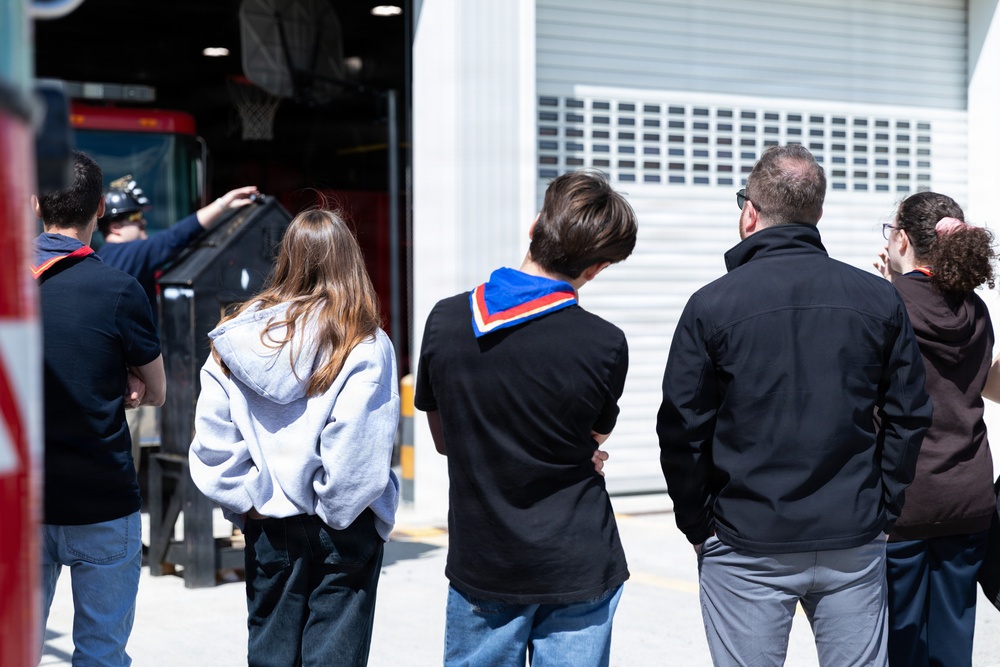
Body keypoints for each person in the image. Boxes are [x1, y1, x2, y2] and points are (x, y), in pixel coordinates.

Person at [657, 144, 933, 666]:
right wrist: (885, 508)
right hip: (851, 534)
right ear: (818, 213)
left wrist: (699, 526)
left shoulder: (712, 305)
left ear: (750, 213)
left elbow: (682, 429)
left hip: (748, 539)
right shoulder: (878, 298)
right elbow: (910, 414)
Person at [414, 169, 638, 666]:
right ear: (597, 268)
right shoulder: (605, 343)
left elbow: (446, 439)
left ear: (535, 226)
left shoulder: (446, 320)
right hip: (580, 560)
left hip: (486, 559)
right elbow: (593, 436)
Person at [187, 209, 399, 667]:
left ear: (287, 258)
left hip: (269, 521)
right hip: (343, 525)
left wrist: (250, 501)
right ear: (350, 261)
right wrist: (335, 511)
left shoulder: (238, 337)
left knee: (270, 655)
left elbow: (213, 438)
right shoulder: (363, 341)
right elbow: (358, 448)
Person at [33, 150, 166, 665]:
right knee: (101, 655)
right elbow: (156, 391)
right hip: (102, 501)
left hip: (21, 505)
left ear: (36, 204)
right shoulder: (119, 290)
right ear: (102, 209)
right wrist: (123, 378)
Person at [873, 192, 996, 667]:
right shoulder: (976, 310)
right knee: (951, 642)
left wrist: (885, 288)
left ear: (903, 240)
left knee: (900, 643)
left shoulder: (885, 302)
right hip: (968, 495)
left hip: (905, 498)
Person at [97, 175, 257, 467]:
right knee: (123, 463)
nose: (144, 226)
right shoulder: (125, 254)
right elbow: (175, 237)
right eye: (136, 220)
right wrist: (223, 204)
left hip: (113, 377)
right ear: (115, 226)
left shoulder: (106, 258)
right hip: (128, 382)